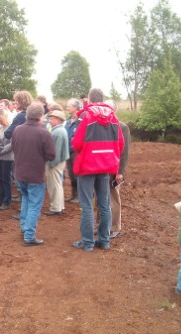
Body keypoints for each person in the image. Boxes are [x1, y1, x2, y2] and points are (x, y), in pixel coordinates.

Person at [71, 88, 124, 252]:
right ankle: (104, 240)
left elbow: (76, 144)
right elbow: (120, 144)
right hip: (106, 165)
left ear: (89, 99)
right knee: (104, 204)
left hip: (87, 165)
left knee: (87, 205)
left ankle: (87, 243)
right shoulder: (114, 118)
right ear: (102, 98)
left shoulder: (86, 116)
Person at [12, 102, 56, 247]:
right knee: (34, 205)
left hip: (20, 173)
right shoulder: (44, 132)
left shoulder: (17, 130)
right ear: (40, 116)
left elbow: (14, 147)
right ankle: (29, 236)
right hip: (35, 175)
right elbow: (51, 155)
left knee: (25, 198)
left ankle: (25, 228)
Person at [104, 99, 131, 238]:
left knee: (114, 198)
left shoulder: (122, 127)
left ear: (113, 110)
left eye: (107, 108)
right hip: (102, 168)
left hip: (114, 170)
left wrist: (120, 172)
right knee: (101, 198)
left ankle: (115, 227)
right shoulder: (102, 125)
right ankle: (102, 225)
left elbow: (124, 152)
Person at [4, 91, 33, 214]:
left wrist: (7, 125)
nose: (15, 103)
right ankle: (27, 211)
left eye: (17, 101)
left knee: (21, 181)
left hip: (21, 152)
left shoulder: (20, 116)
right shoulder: (32, 115)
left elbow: (7, 133)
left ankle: (24, 212)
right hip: (32, 152)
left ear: (22, 102)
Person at [44, 110, 69, 216]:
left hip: (56, 162)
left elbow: (56, 151)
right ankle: (59, 206)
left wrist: (51, 164)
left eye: (53, 118)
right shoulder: (59, 130)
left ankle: (55, 208)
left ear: (58, 120)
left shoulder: (58, 132)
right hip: (59, 161)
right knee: (57, 184)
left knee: (54, 185)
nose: (50, 119)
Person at [0, 108, 14, 210]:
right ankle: (1, 199)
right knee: (1, 179)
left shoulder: (10, 128)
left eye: (0, 119)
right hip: (0, 157)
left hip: (7, 158)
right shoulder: (0, 127)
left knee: (6, 179)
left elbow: (11, 145)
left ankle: (7, 200)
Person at [64, 98, 82, 203]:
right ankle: (73, 194)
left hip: (75, 152)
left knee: (77, 174)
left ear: (76, 107)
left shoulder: (79, 121)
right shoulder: (67, 121)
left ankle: (79, 196)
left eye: (69, 106)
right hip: (68, 151)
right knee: (71, 174)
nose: (67, 108)